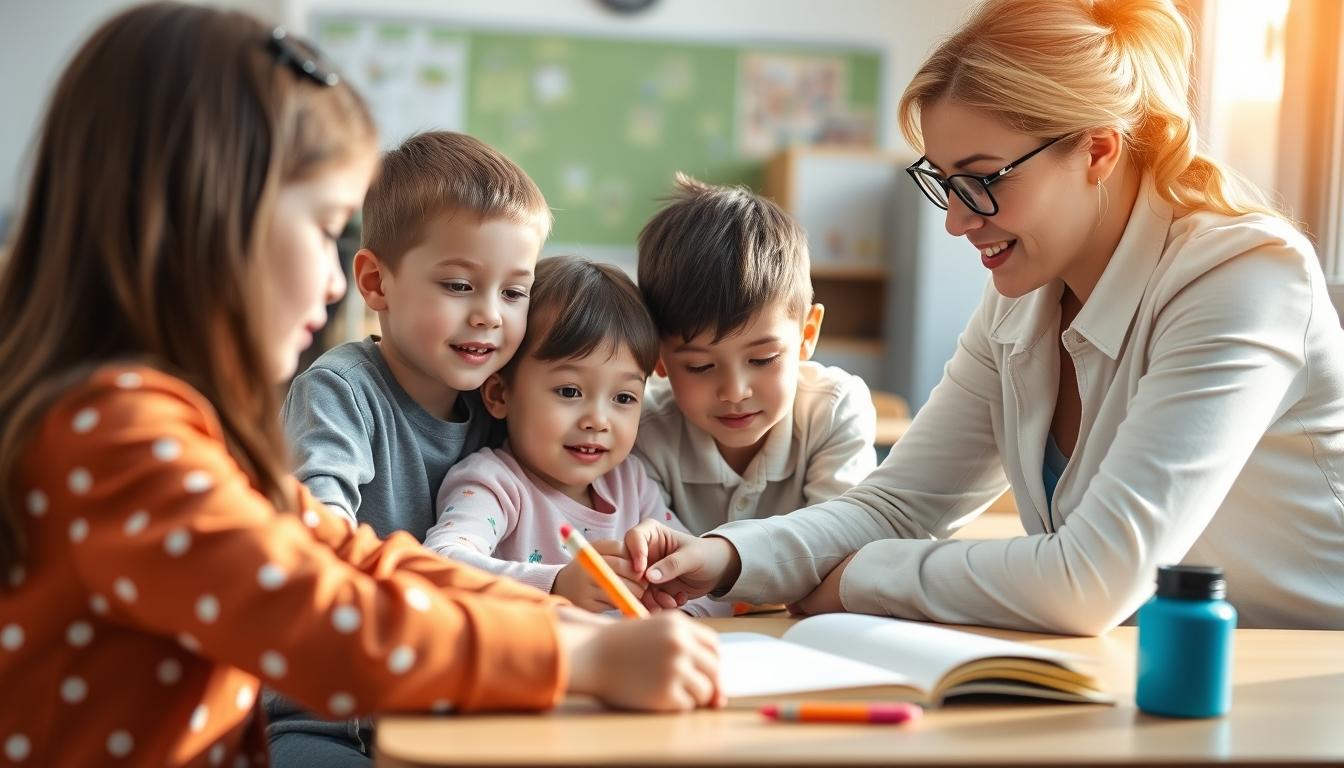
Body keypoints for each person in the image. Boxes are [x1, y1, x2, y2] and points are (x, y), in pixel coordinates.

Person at [0, 5, 719, 765]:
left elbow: (352, 553)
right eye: (326, 228)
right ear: (205, 218)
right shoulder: (113, 437)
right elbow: (315, 612)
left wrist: (563, 621)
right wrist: (572, 659)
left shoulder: (168, 422)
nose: (331, 277)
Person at [624, 0, 1344, 634]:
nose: (957, 222)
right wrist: (725, 556)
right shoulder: (1023, 295)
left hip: (1299, 681)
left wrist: (866, 578)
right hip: (1140, 670)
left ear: (1098, 148)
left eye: (982, 180)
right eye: (945, 183)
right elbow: (900, 505)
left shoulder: (1242, 276)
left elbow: (1093, 581)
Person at [425, 255, 728, 617]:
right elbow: (438, 567)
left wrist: (672, 612)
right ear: (499, 395)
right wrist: (555, 585)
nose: (598, 421)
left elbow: (707, 591)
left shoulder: (631, 484)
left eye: (624, 398)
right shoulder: (493, 485)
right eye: (569, 391)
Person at [632, 173, 877, 535]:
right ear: (658, 356)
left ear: (807, 334)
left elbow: (841, 542)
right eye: (700, 366)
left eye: (762, 360)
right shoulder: (644, 432)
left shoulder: (834, 410)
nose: (735, 391)